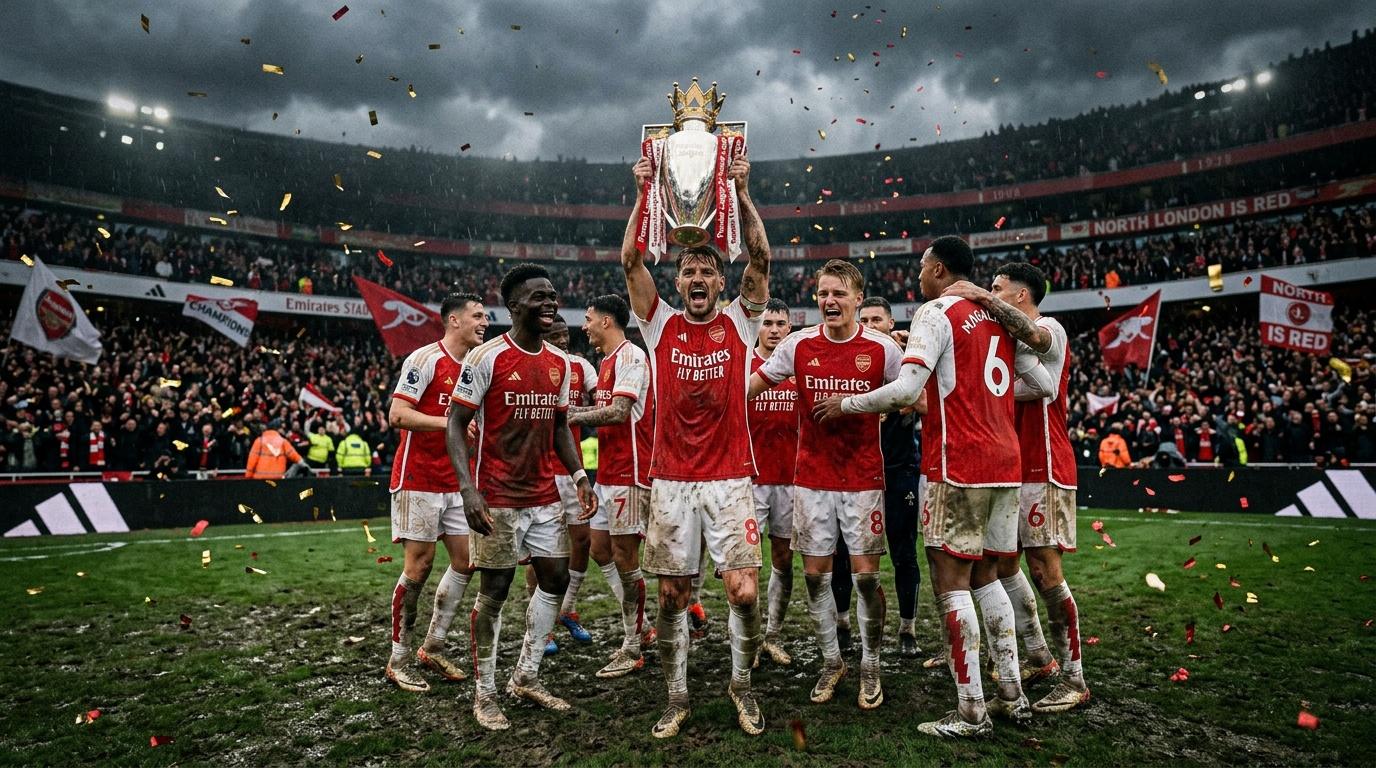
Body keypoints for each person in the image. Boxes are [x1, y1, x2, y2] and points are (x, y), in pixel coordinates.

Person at [813, 235, 1053, 738]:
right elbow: (1042, 384)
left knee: (951, 580)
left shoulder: (935, 312)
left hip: (957, 462)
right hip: (1005, 462)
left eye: (922, 266)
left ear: (939, 269)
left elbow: (906, 389)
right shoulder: (999, 319)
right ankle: (1012, 692)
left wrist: (846, 405)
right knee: (989, 574)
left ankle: (971, 709)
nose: (917, 276)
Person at [621, 148, 772, 738]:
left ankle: (741, 683)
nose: (700, 279)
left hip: (731, 475)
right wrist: (642, 195)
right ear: (679, 281)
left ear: (720, 279)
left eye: (709, 270)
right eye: (689, 271)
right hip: (672, 479)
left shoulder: (741, 321)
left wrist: (744, 192)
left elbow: (759, 254)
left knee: (740, 589)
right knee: (671, 597)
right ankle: (677, 696)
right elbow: (631, 259)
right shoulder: (658, 323)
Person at [446, 263, 597, 731]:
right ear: (514, 307)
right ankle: (484, 693)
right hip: (496, 497)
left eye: (553, 296)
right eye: (539, 297)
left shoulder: (560, 364)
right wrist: (468, 490)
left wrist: (578, 473)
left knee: (555, 578)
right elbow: (454, 423)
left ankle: (526, 675)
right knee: (495, 590)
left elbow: (559, 429)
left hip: (543, 496)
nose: (550, 304)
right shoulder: (486, 358)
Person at [750, 260, 903, 710]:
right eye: (822, 294)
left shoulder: (881, 349)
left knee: (866, 577)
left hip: (862, 478)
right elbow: (749, 387)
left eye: (838, 293)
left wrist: (854, 405)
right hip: (811, 480)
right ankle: (832, 662)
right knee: (816, 576)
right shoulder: (797, 346)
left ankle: (871, 664)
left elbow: (914, 395)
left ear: (858, 298)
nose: (829, 301)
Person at [941, 262, 1090, 713]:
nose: (991, 293)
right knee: (1003, 567)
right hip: (1009, 466)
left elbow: (1034, 377)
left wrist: (981, 301)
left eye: (998, 288)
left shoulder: (1050, 328)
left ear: (1021, 296)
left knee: (1045, 571)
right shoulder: (1003, 340)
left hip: (1044, 464)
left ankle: (1076, 679)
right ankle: (1041, 658)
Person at [381, 292, 488, 693]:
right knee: (419, 567)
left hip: (457, 484)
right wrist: (448, 424)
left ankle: (433, 645)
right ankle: (398, 659)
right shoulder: (424, 360)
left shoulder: (478, 366)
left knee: (466, 561)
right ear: (454, 321)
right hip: (418, 479)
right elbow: (397, 414)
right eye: (477, 316)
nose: (484, 322)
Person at [569, 294, 657, 678]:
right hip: (609, 475)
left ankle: (634, 644)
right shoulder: (604, 362)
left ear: (607, 321)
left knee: (626, 559)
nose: (584, 325)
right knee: (598, 547)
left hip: (631, 475)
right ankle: (644, 627)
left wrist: (573, 415)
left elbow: (621, 413)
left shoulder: (631, 357)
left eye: (588, 319)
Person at [857, 296, 926, 659]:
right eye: (864, 318)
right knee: (850, 556)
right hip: (858, 472)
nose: (870, 324)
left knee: (904, 552)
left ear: (890, 322)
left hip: (900, 469)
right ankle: (844, 623)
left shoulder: (907, 359)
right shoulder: (850, 359)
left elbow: (925, 397)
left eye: (877, 319)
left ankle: (908, 628)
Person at [539, 317, 602, 654]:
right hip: (540, 473)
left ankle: (567, 609)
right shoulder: (534, 364)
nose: (563, 340)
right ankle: (541, 628)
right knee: (542, 553)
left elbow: (600, 399)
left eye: (565, 334)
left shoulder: (580, 366)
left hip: (572, 470)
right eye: (554, 335)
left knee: (582, 540)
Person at [745, 298, 798, 667]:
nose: (775, 329)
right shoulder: (745, 366)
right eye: (768, 323)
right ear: (757, 328)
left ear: (790, 328)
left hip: (791, 480)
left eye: (781, 323)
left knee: (783, 558)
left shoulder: (799, 368)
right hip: (750, 479)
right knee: (747, 564)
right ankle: (749, 637)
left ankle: (774, 636)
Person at [245, 419, 309, 479]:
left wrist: (248, 476)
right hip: (277, 478)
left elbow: (252, 461)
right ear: (278, 429)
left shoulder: (259, 441)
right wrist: (306, 466)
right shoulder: (283, 441)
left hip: (260, 478)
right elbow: (295, 456)